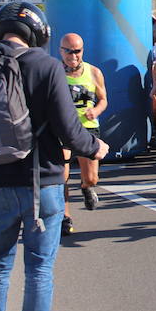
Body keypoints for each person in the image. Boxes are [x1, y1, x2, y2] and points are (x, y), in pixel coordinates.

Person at [0, 2, 109, 311]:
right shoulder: (46, 67)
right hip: (44, 184)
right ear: (39, 33)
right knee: (39, 269)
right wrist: (96, 147)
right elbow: (69, 129)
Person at [59, 33, 108, 237]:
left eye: (76, 51)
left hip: (87, 129)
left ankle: (86, 187)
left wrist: (95, 111)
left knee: (92, 178)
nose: (73, 55)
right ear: (61, 51)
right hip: (62, 128)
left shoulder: (94, 72)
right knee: (61, 176)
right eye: (68, 51)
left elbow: (103, 99)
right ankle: (65, 218)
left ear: (82, 51)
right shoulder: (54, 73)